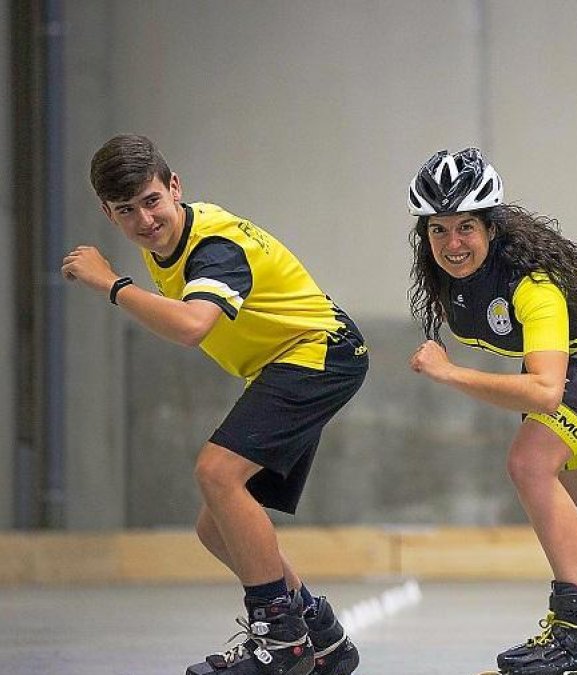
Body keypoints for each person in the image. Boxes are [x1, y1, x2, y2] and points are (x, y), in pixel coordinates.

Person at [63, 134, 367, 675]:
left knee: (216, 472)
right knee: (214, 526)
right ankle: (321, 636)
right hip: (293, 360)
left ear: (174, 187)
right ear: (108, 213)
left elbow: (192, 326)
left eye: (152, 201)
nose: (145, 219)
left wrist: (112, 283)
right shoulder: (169, 242)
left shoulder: (214, 246)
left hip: (320, 352)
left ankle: (279, 642)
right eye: (126, 210)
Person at [406, 148, 577, 675]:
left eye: (466, 228)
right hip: (572, 360)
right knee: (565, 496)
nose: (453, 244)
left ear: (492, 228)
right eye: (439, 230)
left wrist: (449, 373)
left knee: (528, 463)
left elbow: (545, 391)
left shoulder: (532, 284)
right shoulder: (453, 282)